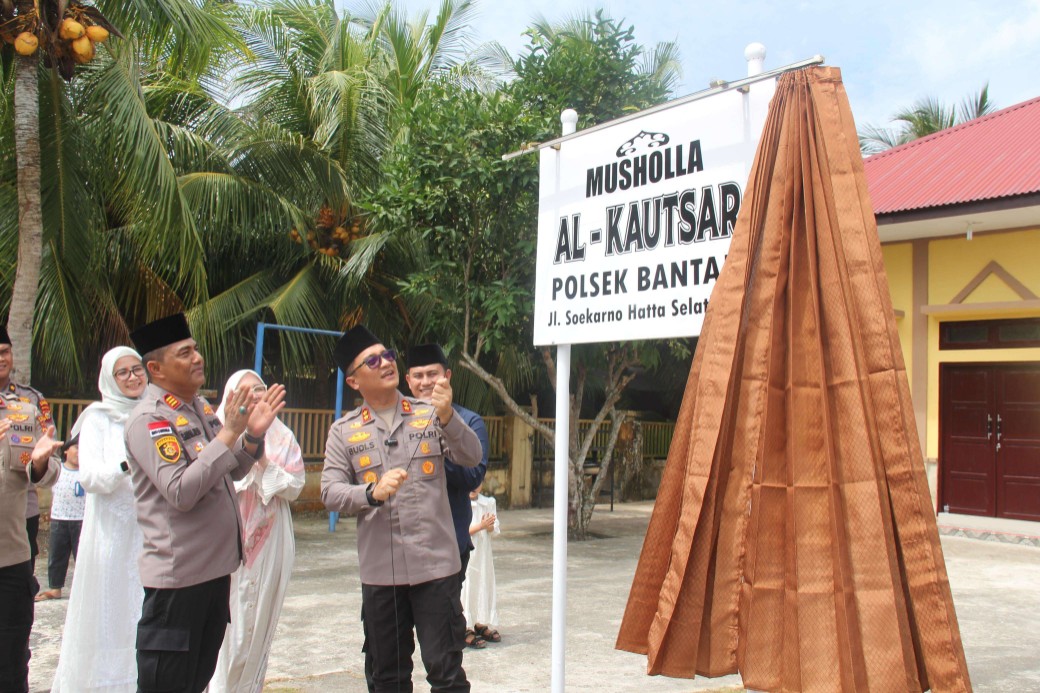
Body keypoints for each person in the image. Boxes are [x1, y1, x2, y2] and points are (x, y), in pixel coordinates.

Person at [124, 313, 285, 693]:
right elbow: (181, 491)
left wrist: (249, 438)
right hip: (179, 581)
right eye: (185, 352)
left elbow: (228, 471)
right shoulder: (150, 420)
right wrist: (229, 431)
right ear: (156, 368)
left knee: (195, 682)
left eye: (195, 349)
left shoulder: (198, 407)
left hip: (213, 576)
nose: (197, 357)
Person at [321, 325, 482, 693]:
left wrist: (448, 417)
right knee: (388, 678)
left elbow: (472, 457)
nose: (386, 363)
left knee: (447, 674)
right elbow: (329, 492)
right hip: (382, 576)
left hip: (436, 570)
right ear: (354, 381)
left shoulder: (429, 413)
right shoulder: (343, 432)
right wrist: (370, 493)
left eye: (388, 355)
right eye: (372, 360)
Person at [50, 346, 147, 692]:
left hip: (150, 532)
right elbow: (90, 478)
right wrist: (126, 463)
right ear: (109, 378)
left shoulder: (154, 412)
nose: (133, 377)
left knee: (143, 615)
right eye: (123, 372)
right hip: (111, 535)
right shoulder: (97, 419)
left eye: (137, 369)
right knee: (111, 614)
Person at [209, 369, 305, 693]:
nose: (255, 396)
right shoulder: (215, 431)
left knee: (257, 625)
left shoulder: (282, 436)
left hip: (269, 542)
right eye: (246, 391)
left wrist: (263, 461)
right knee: (221, 625)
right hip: (222, 539)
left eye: (260, 390)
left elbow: (295, 487)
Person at [404, 344, 488, 650]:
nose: (425, 382)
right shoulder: (396, 422)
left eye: (433, 374)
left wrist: (441, 437)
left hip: (448, 545)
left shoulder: (469, 421)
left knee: (441, 645)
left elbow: (472, 476)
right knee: (392, 643)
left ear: (447, 376)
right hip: (400, 547)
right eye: (418, 375)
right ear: (408, 380)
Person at [0, 378, 63, 693]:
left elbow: (49, 471)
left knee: (12, 663)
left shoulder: (22, 414)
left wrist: (40, 463)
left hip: (11, 558)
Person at [0, 326, 55, 581]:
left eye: (5, 352)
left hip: (22, 515)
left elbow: (49, 466)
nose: (1, 359)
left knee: (17, 600)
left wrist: (42, 464)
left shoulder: (31, 402)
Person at [36, 436, 84, 602]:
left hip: (82, 520)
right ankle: (55, 588)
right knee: (57, 556)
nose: (79, 452)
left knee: (82, 557)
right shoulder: (58, 470)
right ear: (66, 450)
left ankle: (82, 589)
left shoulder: (88, 472)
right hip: (59, 519)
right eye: (76, 447)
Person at [460, 484, 501, 647]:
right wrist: (481, 526)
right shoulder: (460, 502)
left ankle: (480, 622)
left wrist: (489, 526)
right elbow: (459, 530)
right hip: (467, 553)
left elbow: (495, 528)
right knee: (467, 586)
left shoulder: (488, 502)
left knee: (483, 583)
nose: (473, 486)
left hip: (483, 554)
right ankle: (465, 627)